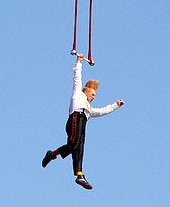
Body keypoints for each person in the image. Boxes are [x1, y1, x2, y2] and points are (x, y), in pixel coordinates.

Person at [41, 54, 124, 190]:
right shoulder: (78, 95)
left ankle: (79, 174)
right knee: (74, 144)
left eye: (95, 96)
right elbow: (77, 79)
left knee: (79, 147)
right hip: (75, 118)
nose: (93, 97)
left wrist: (116, 105)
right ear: (85, 92)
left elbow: (102, 111)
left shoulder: (89, 109)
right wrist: (78, 62)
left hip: (83, 122)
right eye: (92, 94)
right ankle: (52, 154)